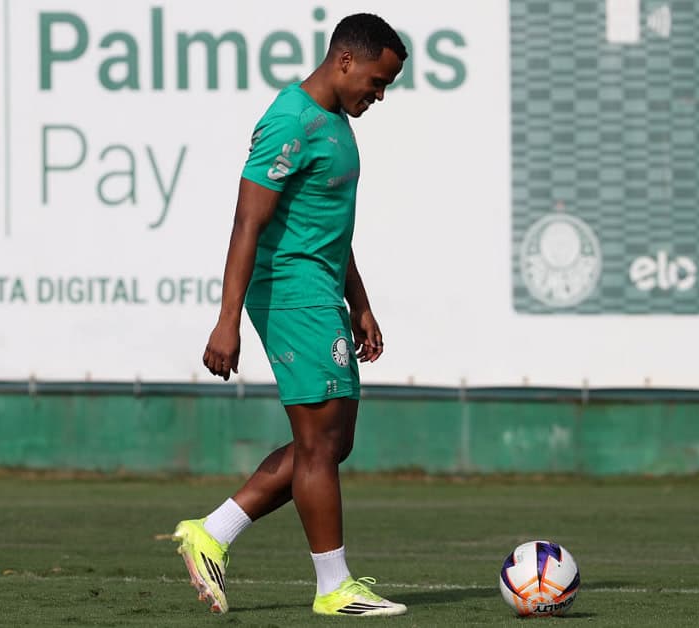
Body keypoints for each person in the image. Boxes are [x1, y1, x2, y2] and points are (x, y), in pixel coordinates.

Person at [171, 12, 408, 618]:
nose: (378, 96)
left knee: (332, 440)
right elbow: (248, 221)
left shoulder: (334, 121)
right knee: (319, 441)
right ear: (345, 59)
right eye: (377, 82)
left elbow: (327, 221)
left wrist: (360, 300)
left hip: (322, 289)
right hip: (290, 290)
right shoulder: (290, 121)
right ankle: (334, 586)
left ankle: (212, 533)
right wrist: (227, 320)